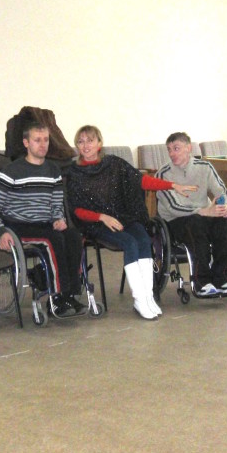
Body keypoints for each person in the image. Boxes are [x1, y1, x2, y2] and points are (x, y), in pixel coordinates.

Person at [65, 125, 196, 320]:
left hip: (123, 217)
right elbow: (76, 209)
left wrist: (172, 185)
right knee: (130, 243)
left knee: (144, 239)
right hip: (96, 223)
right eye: (80, 142)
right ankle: (139, 299)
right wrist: (102, 217)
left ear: (99, 143)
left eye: (90, 141)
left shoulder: (113, 164)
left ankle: (148, 296)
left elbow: (141, 181)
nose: (85, 146)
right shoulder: (74, 173)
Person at [0, 121, 86, 318]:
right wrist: (1, 231)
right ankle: (57, 298)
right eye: (37, 140)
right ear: (26, 143)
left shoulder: (53, 170)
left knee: (73, 236)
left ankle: (71, 293)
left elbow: (56, 203)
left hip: (45, 224)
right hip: (18, 225)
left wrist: (59, 218)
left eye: (46, 140)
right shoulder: (11, 171)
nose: (43, 144)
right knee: (52, 240)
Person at [156, 132, 227, 297]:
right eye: (169, 150)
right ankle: (202, 281)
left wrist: (226, 205)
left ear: (189, 148)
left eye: (176, 148)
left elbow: (222, 190)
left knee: (225, 222)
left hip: (203, 215)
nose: (172, 153)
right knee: (195, 224)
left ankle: (224, 277)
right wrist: (203, 211)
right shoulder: (163, 174)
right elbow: (173, 207)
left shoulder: (205, 167)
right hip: (175, 221)